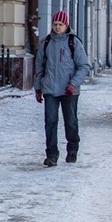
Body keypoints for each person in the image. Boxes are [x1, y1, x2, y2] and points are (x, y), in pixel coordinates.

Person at [34, 11, 90, 167]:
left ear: (66, 25)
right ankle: (51, 155)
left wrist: (73, 84)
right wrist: (38, 88)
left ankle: (72, 150)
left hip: (69, 91)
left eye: (61, 25)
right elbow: (39, 67)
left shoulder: (74, 42)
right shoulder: (45, 43)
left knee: (70, 122)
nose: (58, 27)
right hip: (50, 89)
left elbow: (84, 66)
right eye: (55, 24)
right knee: (50, 122)